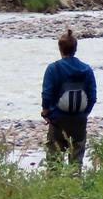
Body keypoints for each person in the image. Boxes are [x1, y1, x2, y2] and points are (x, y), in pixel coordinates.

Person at [41, 29, 97, 169]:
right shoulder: (87, 69)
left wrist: (46, 112)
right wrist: (84, 113)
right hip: (79, 121)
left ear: (60, 49)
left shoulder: (53, 69)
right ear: (75, 49)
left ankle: (54, 188)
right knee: (76, 161)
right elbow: (92, 97)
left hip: (57, 120)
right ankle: (75, 188)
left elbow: (47, 94)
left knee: (54, 162)